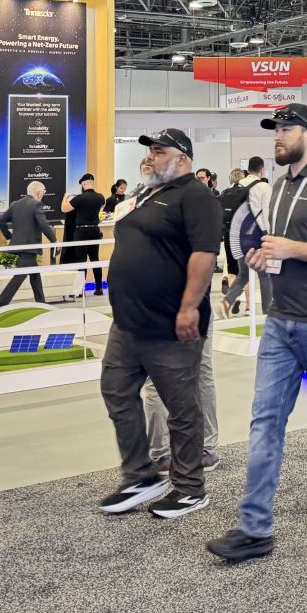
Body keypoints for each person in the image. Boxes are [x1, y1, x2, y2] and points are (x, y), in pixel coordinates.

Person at [206, 103, 307, 563]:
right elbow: (280, 249)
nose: (278, 136)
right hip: (281, 321)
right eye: (275, 129)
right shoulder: (278, 187)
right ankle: (254, 527)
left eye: (286, 128)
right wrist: (262, 260)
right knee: (265, 420)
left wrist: (292, 248)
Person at [98, 129, 224, 520]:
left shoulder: (196, 197)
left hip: (172, 324)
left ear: (182, 158)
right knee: (116, 390)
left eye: (158, 151)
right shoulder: (148, 194)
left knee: (181, 409)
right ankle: (140, 476)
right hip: (128, 322)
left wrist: (189, 308)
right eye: (149, 151)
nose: (150, 157)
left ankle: (189, 489)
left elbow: (204, 255)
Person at [219, 157, 271, 316]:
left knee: (244, 274)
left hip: (237, 237)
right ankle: (267, 313)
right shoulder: (263, 187)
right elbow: (267, 215)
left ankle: (227, 302)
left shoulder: (235, 185)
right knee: (265, 275)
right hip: (257, 236)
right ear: (262, 170)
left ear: (247, 170)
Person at [0, 182, 56, 308]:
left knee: (35, 276)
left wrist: (10, 237)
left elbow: (0, 221)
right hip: (29, 247)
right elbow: (43, 224)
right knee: (20, 276)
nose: (43, 194)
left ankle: (41, 304)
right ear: (39, 193)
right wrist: (54, 240)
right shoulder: (36, 204)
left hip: (20, 247)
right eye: (44, 192)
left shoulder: (15, 204)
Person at [61, 173, 107, 292]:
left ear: (84, 184)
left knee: (81, 261)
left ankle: (81, 290)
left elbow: (64, 208)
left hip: (81, 232)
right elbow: (103, 205)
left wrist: (65, 197)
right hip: (95, 231)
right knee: (95, 259)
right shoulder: (100, 197)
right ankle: (99, 288)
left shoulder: (80, 198)